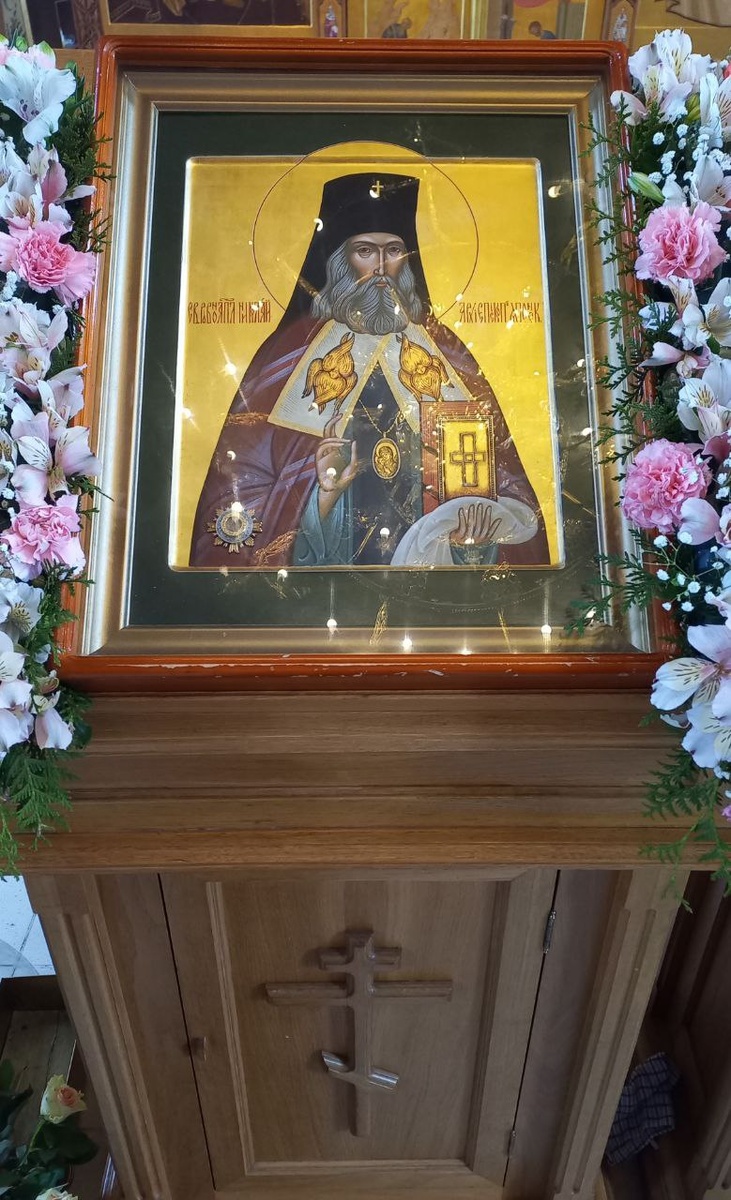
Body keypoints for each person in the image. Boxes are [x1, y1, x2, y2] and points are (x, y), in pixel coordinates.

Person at [190, 172, 549, 569]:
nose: (380, 266)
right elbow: (242, 490)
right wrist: (322, 497)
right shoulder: (290, 353)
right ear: (340, 261)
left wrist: (474, 539)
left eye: (393, 251)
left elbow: (501, 480)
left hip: (430, 582)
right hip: (329, 583)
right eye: (365, 251)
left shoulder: (444, 352)